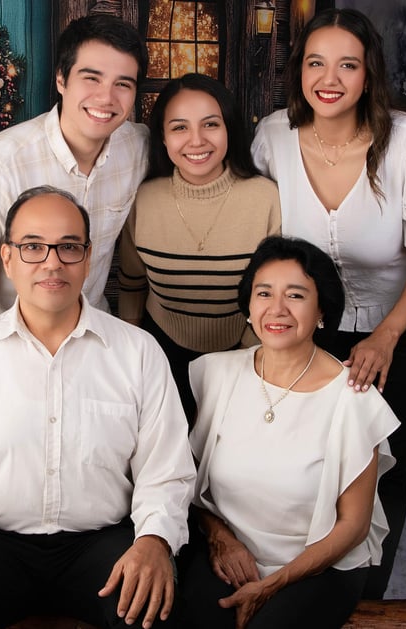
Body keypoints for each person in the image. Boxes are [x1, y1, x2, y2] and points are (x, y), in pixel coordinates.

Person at [0, 186, 196, 629]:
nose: (52, 262)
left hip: (102, 545)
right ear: (7, 258)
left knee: (156, 617)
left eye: (69, 247)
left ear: (88, 259)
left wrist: (155, 541)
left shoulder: (138, 352)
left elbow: (166, 471)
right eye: (33, 247)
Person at [250, 8, 406, 598]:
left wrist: (386, 337)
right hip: (319, 316)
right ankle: (303, 573)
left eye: (348, 65)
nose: (330, 79)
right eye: (316, 63)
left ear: (369, 75)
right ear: (298, 71)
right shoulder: (272, 137)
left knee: (377, 448)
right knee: (314, 445)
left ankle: (365, 593)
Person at [182, 236, 399, 629]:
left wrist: (273, 584)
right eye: (264, 293)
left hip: (319, 567)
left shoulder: (353, 399)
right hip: (230, 553)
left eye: (295, 295)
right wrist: (220, 538)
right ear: (249, 306)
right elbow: (185, 484)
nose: (277, 309)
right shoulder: (215, 374)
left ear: (321, 310)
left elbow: (354, 526)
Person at [0, 14, 149, 334]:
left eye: (122, 84)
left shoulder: (137, 148)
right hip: (11, 344)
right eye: (91, 78)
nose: (106, 98)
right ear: (61, 80)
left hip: (94, 335)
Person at [117, 73, 281, 421]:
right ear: (163, 137)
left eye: (211, 124)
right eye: (179, 127)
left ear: (229, 129)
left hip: (246, 353)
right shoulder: (143, 199)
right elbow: (132, 284)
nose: (196, 140)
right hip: (160, 353)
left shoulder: (266, 198)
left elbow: (273, 295)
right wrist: (130, 357)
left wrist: (246, 355)